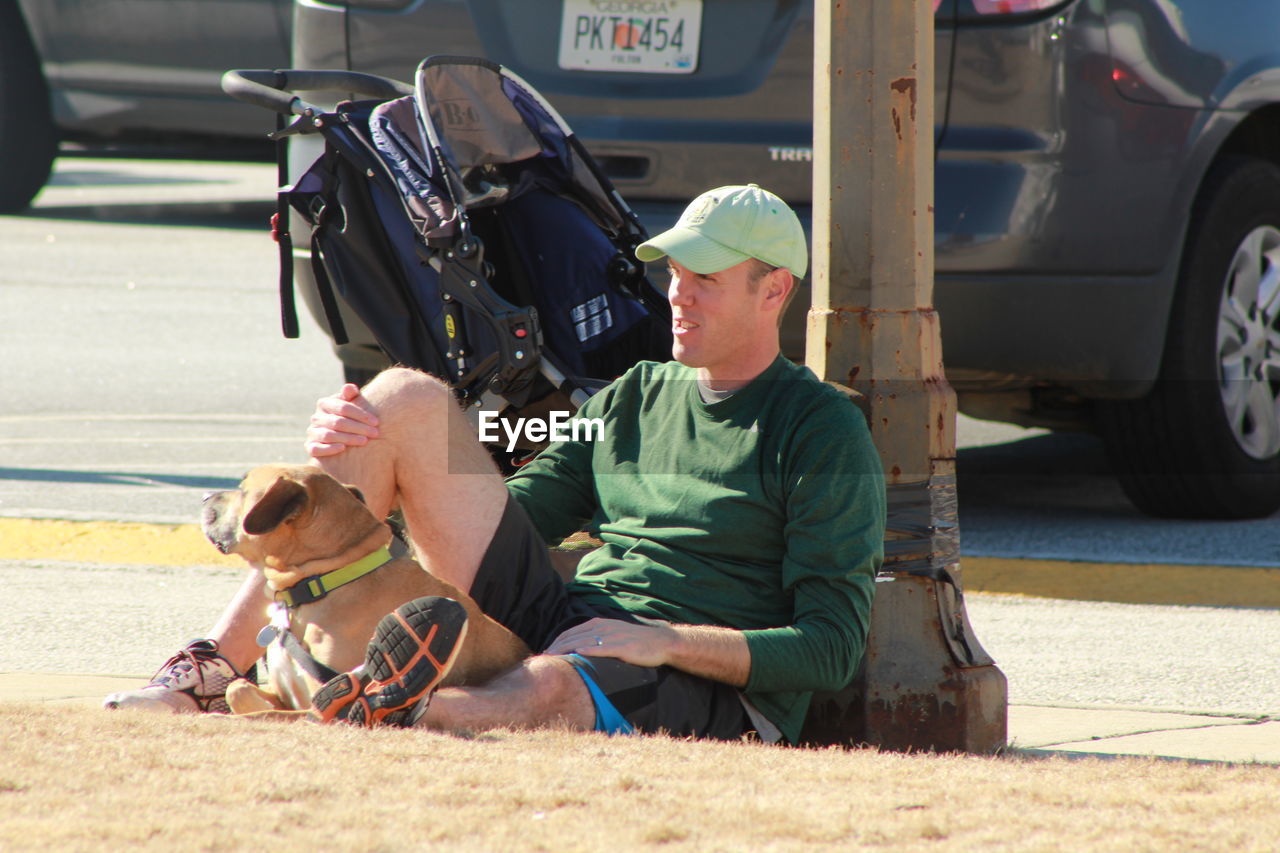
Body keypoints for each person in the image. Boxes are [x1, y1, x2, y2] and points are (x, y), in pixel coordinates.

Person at [105, 184, 886, 745]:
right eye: (674, 273)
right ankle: (212, 669)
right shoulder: (637, 393)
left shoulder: (824, 429)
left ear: (773, 290)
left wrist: (664, 641)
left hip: (701, 681)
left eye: (704, 279)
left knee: (549, 686)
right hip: (573, 619)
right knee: (401, 401)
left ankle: (384, 707)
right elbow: (526, 508)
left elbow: (830, 645)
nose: (676, 295)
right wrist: (357, 469)